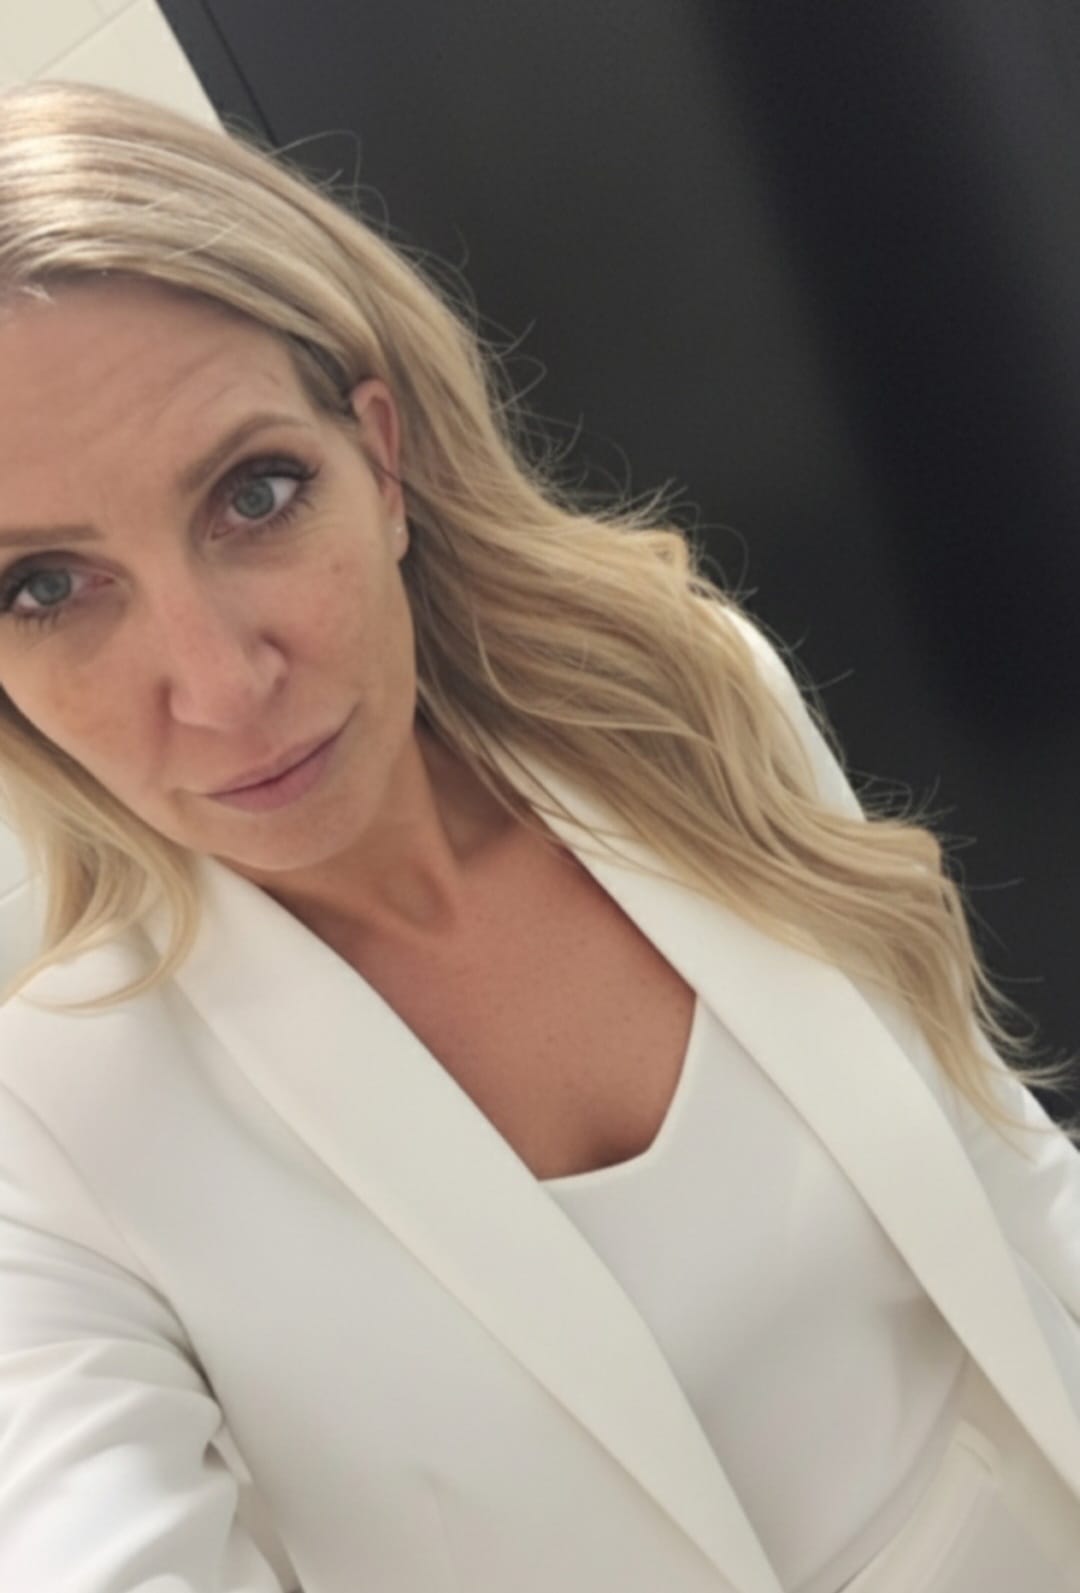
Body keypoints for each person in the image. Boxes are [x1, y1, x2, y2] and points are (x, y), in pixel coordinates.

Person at [0, 79, 1077, 1593]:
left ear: (381, 462)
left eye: (256, 492)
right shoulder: (48, 1123)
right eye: (43, 587)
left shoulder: (679, 705)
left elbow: (994, 1153)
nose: (221, 682)